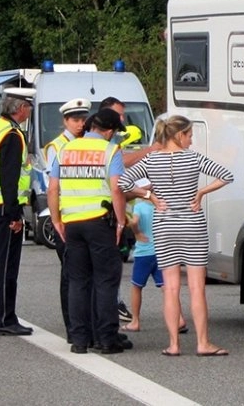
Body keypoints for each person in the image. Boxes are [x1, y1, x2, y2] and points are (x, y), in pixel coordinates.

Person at [119, 115, 233, 357]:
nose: (191, 141)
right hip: (192, 226)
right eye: (190, 135)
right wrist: (201, 192)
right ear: (179, 135)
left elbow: (122, 181)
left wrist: (150, 196)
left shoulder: (151, 160)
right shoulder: (193, 159)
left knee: (170, 288)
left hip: (164, 226)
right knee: (196, 288)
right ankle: (203, 343)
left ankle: (173, 344)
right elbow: (226, 175)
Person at [48, 108, 128, 354]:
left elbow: (52, 189)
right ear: (110, 131)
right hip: (99, 221)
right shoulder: (110, 150)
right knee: (105, 280)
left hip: (72, 223)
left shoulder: (65, 149)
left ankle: (79, 340)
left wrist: (57, 220)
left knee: (78, 281)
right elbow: (116, 189)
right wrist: (122, 221)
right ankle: (106, 339)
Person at [0, 88, 35, 337]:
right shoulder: (12, 135)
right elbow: (9, 177)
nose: (30, 111)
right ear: (20, 108)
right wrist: (15, 214)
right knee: (6, 266)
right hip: (6, 207)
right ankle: (4, 319)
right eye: (29, 106)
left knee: (4, 264)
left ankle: (5, 317)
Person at [99, 96, 157, 322]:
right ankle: (107, 317)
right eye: (118, 114)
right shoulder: (106, 146)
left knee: (109, 269)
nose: (123, 119)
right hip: (105, 216)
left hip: (103, 215)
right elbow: (120, 174)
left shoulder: (110, 142)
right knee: (107, 271)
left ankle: (109, 309)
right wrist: (152, 150)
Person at [43, 97, 91, 342]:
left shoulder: (89, 143)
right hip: (66, 216)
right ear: (65, 120)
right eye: (75, 119)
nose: (80, 124)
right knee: (71, 276)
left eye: (83, 119)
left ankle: (85, 326)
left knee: (84, 276)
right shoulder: (57, 147)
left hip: (86, 216)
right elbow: (53, 187)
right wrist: (56, 218)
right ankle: (73, 328)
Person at [120, 196, 188, 334]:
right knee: (167, 288)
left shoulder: (139, 207)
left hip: (143, 252)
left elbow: (134, 222)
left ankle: (135, 321)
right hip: (161, 252)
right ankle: (179, 319)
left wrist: (137, 232)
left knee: (137, 286)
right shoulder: (163, 206)